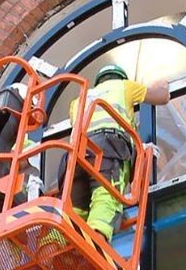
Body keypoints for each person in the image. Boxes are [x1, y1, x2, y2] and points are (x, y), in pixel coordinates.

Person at [59, 64, 171, 242]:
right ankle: (96, 243)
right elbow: (161, 97)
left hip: (74, 156)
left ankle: (53, 248)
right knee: (106, 197)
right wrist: (162, 83)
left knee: (72, 211)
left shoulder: (79, 100)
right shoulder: (123, 86)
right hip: (107, 148)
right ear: (120, 77)